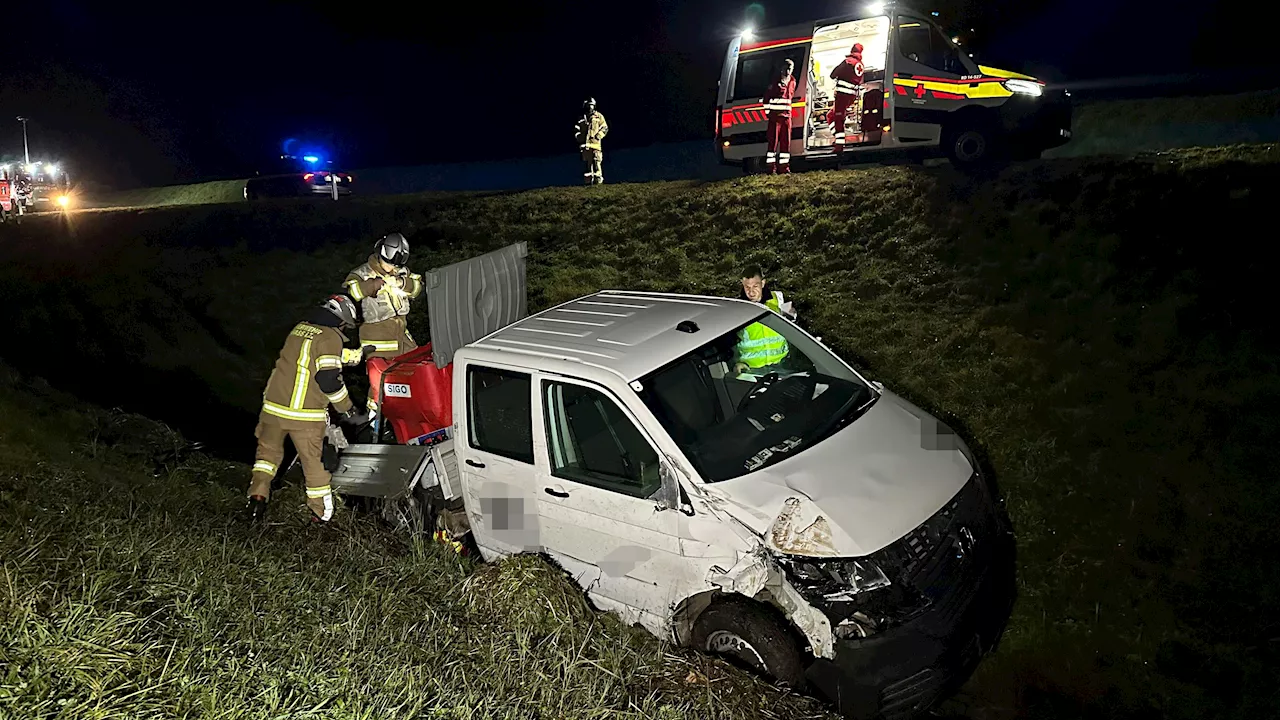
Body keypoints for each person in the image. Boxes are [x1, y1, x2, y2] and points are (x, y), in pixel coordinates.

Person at [248, 295, 369, 523]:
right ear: (342, 319)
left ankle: (257, 500)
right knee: (315, 465)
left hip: (273, 409)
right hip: (303, 414)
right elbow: (328, 379)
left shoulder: (301, 329)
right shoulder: (331, 337)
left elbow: (315, 354)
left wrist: (356, 356)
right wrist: (348, 409)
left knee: (266, 457)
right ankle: (321, 517)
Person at [343, 232, 424, 421]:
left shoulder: (400, 271)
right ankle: (374, 422)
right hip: (377, 340)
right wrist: (372, 285)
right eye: (391, 264)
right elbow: (349, 293)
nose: (393, 268)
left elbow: (418, 287)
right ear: (381, 254)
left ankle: (409, 413)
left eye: (397, 265)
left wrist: (402, 282)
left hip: (401, 336)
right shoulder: (362, 273)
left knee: (416, 371)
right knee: (379, 383)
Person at [733, 265, 798, 375]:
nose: (751, 292)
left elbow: (794, 328)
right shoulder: (738, 308)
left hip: (782, 365)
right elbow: (729, 341)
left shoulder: (780, 299)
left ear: (763, 283)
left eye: (755, 286)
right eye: (747, 287)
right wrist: (735, 363)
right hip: (751, 369)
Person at [829, 43, 866, 152]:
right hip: (852, 96)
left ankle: (839, 145)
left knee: (838, 118)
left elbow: (833, 74)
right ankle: (837, 137)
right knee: (830, 115)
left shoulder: (848, 62)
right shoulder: (860, 65)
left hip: (842, 95)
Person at [762, 59, 797, 174]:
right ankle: (771, 169)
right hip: (775, 118)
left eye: (790, 69)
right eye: (786, 68)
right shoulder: (774, 82)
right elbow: (766, 100)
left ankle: (784, 168)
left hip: (787, 117)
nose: (788, 71)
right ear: (782, 69)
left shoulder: (793, 81)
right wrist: (769, 113)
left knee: (785, 144)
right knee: (773, 144)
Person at [575, 98, 609, 185]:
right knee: (587, 166)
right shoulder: (581, 118)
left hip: (595, 145)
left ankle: (598, 182)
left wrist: (599, 136)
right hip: (585, 146)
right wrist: (579, 137)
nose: (590, 107)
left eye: (591, 105)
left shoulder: (599, 116)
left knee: (597, 163)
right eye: (588, 105)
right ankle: (588, 183)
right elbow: (576, 129)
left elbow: (604, 127)